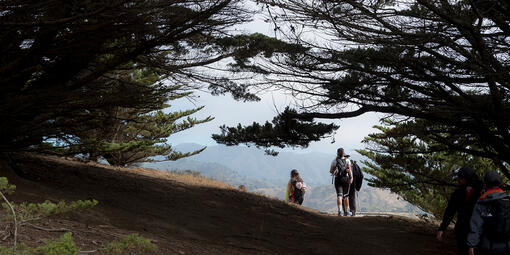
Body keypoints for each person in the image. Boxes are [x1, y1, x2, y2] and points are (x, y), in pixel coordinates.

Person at [437, 166, 482, 255]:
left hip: (463, 230)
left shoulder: (459, 192)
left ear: (465, 178)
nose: (458, 180)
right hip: (479, 231)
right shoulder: (482, 191)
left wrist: (442, 228)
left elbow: (450, 211)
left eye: (460, 178)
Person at [468, 170, 509, 255]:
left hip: (488, 246)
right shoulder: (508, 200)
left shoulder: (482, 202)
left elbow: (476, 225)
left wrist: (471, 245)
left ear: (485, 183)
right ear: (500, 183)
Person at [330, 148, 353, 216]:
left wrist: (335, 172)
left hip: (338, 179)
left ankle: (340, 211)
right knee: (346, 196)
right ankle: (347, 211)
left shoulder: (334, 161)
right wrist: (351, 178)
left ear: (337, 153)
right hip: (346, 179)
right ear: (344, 153)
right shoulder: (347, 160)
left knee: (339, 195)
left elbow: (331, 171)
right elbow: (349, 170)